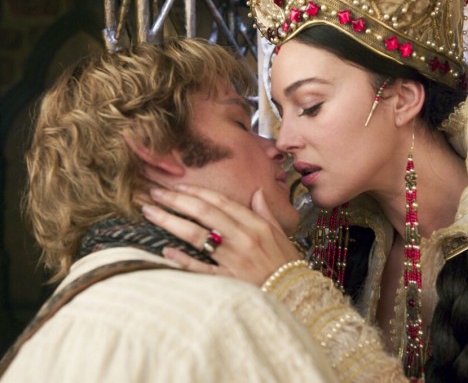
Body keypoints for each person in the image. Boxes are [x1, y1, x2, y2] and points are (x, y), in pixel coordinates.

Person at [142, 0, 468, 382]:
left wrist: (299, 297)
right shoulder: (329, 249)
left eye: (311, 106)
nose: (285, 140)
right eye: (282, 112)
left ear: (402, 100)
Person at [0, 38, 339, 383]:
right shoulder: (225, 318)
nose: (277, 147)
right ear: (153, 146)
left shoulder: (37, 347)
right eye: (239, 123)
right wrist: (301, 297)